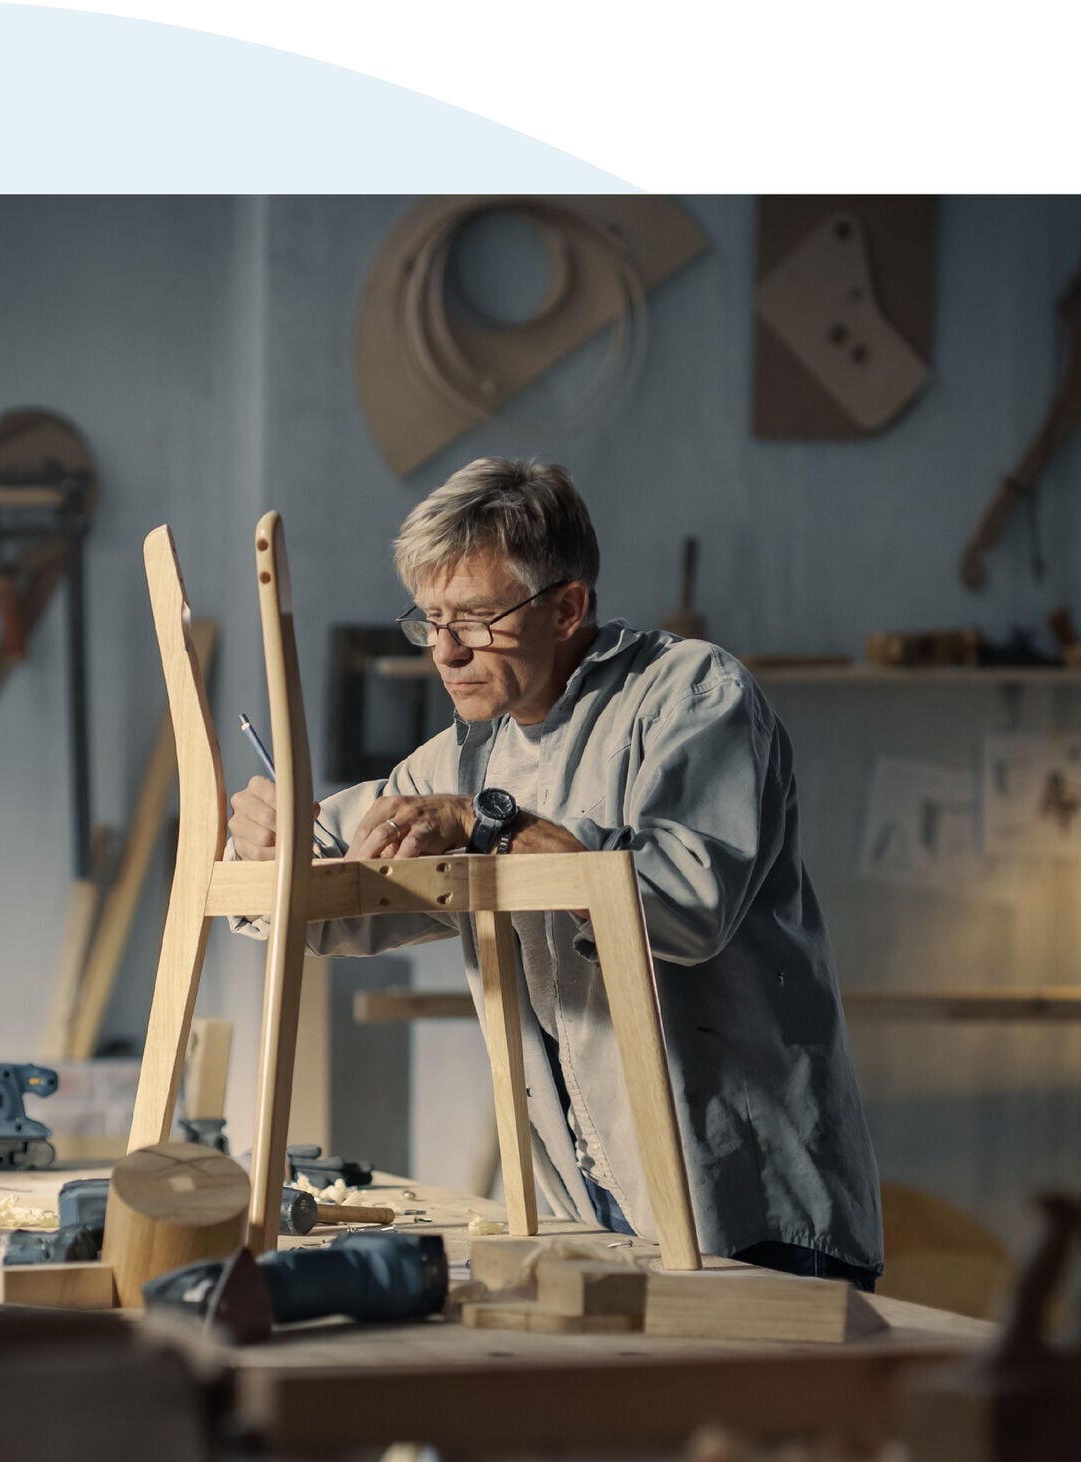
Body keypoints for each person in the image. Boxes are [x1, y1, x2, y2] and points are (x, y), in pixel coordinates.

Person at [227, 457, 882, 1286]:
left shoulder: (692, 697)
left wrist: (483, 826)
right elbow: (346, 899)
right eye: (427, 620)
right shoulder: (457, 757)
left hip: (752, 1205)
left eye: (472, 618)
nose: (445, 650)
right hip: (584, 1208)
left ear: (567, 605)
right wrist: (268, 849)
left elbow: (683, 905)